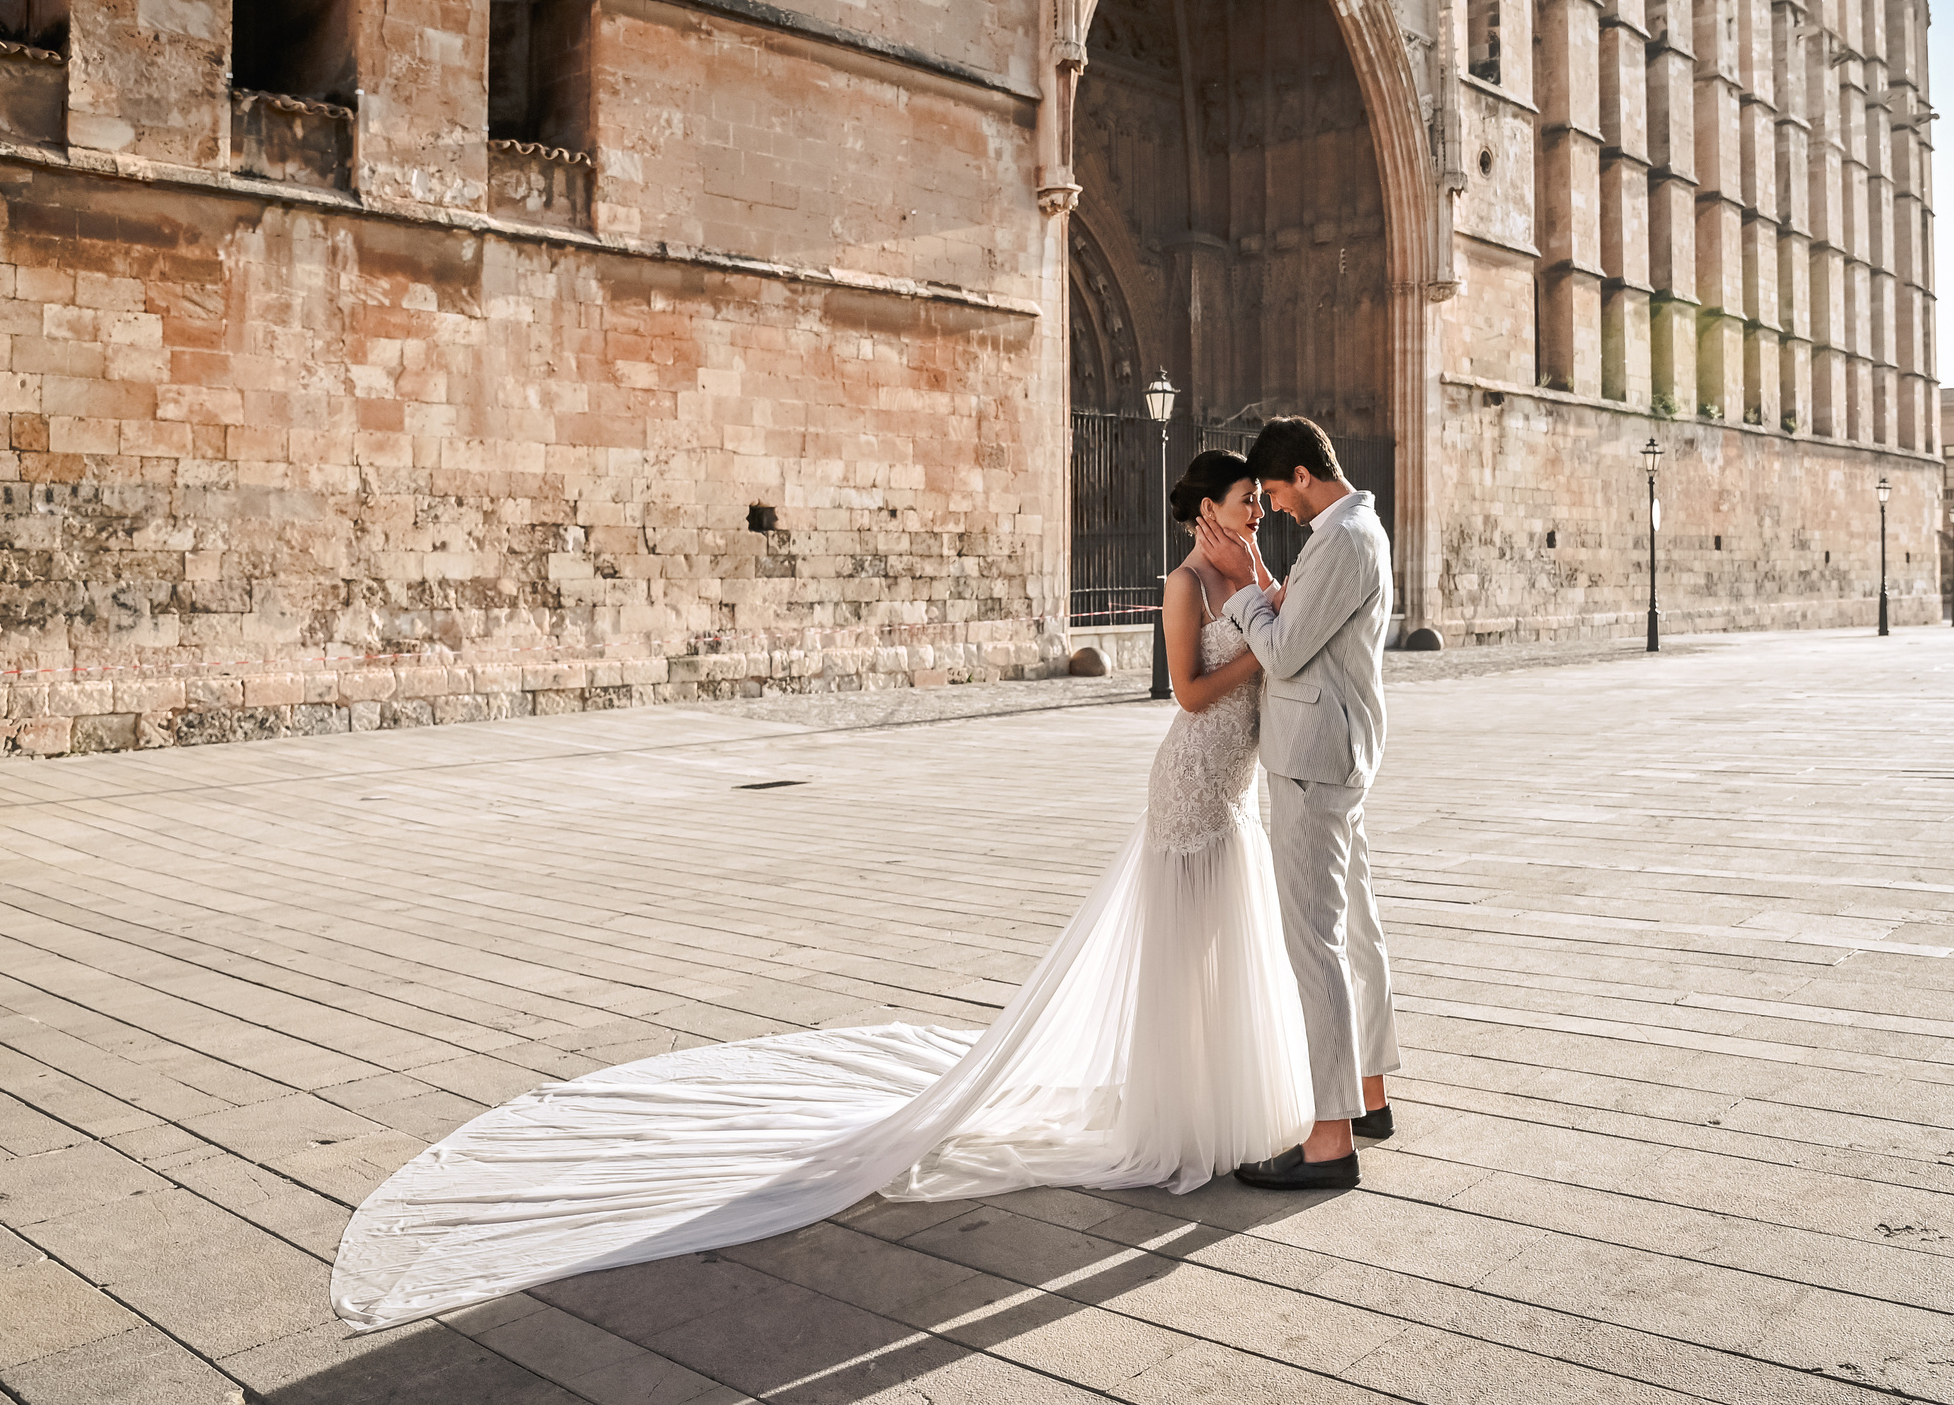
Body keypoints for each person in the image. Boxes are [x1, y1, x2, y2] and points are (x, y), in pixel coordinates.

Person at [328, 450, 1317, 1333]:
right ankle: (1181, 1117)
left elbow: (1279, 631)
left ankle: (1221, 1102)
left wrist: (1264, 602)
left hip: (1235, 786)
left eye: (1260, 502)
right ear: (1208, 508)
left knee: (1229, 941)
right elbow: (1188, 690)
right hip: (1191, 781)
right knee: (1185, 943)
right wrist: (1256, 651)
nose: (1259, 511)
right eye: (1247, 499)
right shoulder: (1185, 582)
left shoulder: (1251, 569)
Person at [1191, 415, 1399, 1192]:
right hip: (1338, 749)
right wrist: (1263, 579)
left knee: (1315, 942)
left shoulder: (1341, 538)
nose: (1272, 507)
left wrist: (1245, 590)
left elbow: (1281, 651)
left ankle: (1329, 1139)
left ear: (1304, 476)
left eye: (1275, 492)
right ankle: (1368, 1094)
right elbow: (1308, 619)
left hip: (1313, 757)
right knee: (1356, 927)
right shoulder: (1352, 528)